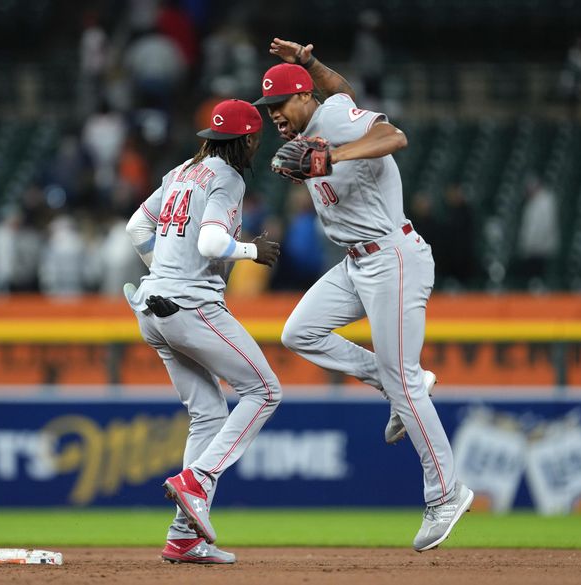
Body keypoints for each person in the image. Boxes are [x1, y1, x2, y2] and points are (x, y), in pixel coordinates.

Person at [254, 39, 473, 552]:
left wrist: (331, 156)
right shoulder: (321, 116)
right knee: (298, 332)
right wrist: (309, 63)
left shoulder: (331, 122)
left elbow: (392, 135)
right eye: (268, 110)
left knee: (406, 385)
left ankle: (447, 493)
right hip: (356, 263)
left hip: (392, 256)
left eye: (280, 105)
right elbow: (343, 95)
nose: (274, 117)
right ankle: (395, 381)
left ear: (304, 99)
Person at [124, 99, 282, 565]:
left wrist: (163, 272)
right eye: (255, 138)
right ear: (250, 140)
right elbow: (212, 242)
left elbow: (137, 227)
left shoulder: (181, 171)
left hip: (151, 307)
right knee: (265, 391)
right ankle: (199, 479)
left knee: (209, 415)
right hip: (191, 306)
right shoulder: (228, 177)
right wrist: (253, 250)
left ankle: (184, 538)